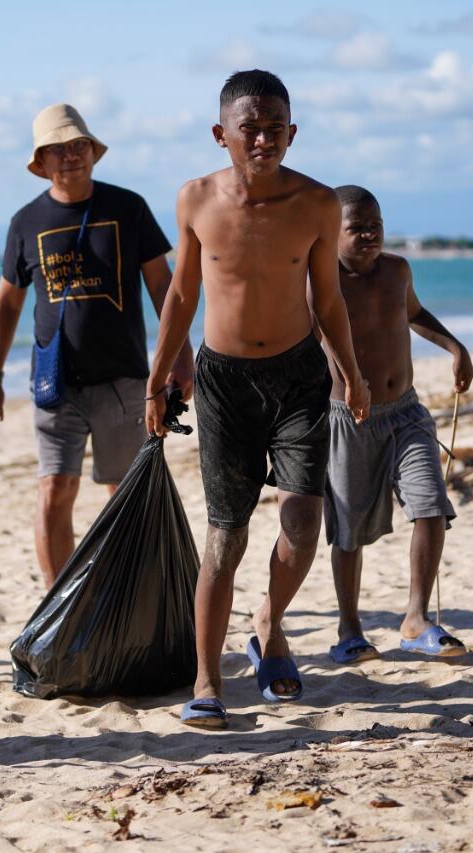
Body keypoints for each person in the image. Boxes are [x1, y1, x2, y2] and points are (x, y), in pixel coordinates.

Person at [146, 70, 370, 729]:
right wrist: (159, 377)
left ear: (293, 132)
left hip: (300, 375)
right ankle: (208, 678)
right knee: (226, 533)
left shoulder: (318, 204)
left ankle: (270, 623)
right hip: (222, 382)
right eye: (251, 129)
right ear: (222, 135)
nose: (264, 139)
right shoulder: (195, 199)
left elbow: (327, 299)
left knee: (303, 522)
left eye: (276, 128)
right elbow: (180, 297)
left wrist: (350, 374)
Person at [0, 103, 194, 588]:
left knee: (125, 492)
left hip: (125, 381)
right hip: (56, 384)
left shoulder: (127, 207)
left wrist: (182, 357)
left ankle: (127, 590)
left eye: (78, 146)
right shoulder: (26, 221)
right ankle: (59, 599)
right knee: (54, 489)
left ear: (93, 152)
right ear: (41, 162)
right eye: (58, 149)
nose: (70, 156)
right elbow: (7, 305)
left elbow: (164, 287)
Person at [320, 186, 473, 667]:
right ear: (332, 233)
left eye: (375, 226)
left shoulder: (396, 270)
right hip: (348, 419)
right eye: (356, 227)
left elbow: (413, 315)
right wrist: (350, 381)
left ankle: (415, 619)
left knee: (430, 506)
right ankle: (349, 628)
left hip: (405, 412)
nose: (368, 235)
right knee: (348, 531)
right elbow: (320, 337)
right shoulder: (322, 278)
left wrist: (455, 347)